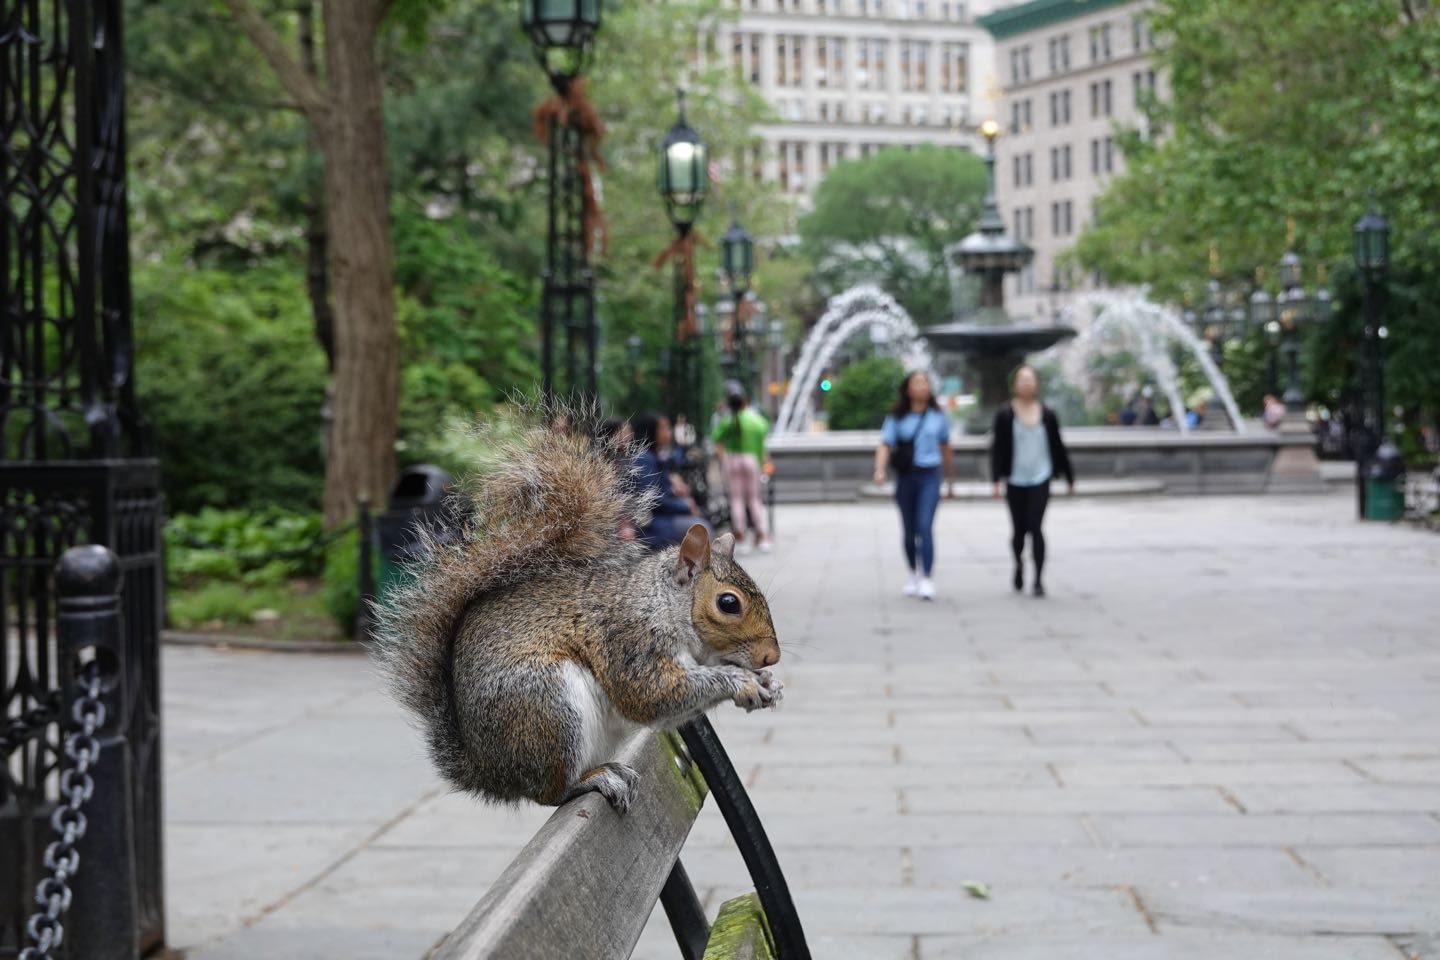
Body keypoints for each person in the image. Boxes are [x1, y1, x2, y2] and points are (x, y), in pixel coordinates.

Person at [990, 365, 1074, 598]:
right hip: (1015, 478)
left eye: (1030, 379)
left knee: (1036, 526)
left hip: (1041, 477)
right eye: (1021, 379)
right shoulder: (1005, 414)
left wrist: (1069, 476)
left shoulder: (1047, 414)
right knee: (1019, 530)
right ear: (1015, 385)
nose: (1026, 383)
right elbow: (997, 449)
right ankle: (1018, 564)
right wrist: (996, 478)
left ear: (1036, 384)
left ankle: (1037, 579)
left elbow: (1058, 446)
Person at [872, 371, 954, 601]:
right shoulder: (897, 417)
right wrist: (880, 469)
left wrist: (950, 479)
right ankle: (912, 572)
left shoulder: (938, 415)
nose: (922, 387)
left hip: (930, 477)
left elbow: (946, 447)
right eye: (917, 383)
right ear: (907, 388)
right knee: (909, 531)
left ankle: (927, 577)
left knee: (925, 526)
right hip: (906, 478)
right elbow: (885, 444)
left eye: (926, 382)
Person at [632, 412, 709, 547]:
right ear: (651, 430)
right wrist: (685, 506)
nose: (669, 432)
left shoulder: (655, 456)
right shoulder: (645, 459)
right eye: (663, 428)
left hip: (663, 516)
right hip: (653, 523)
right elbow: (653, 499)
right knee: (702, 528)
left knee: (703, 519)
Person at [713, 387, 773, 555]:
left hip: (732, 460)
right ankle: (762, 536)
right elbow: (763, 445)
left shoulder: (727, 421)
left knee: (737, 500)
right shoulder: (756, 420)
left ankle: (740, 537)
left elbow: (716, 441)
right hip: (751, 460)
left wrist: (722, 459)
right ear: (745, 401)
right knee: (754, 499)